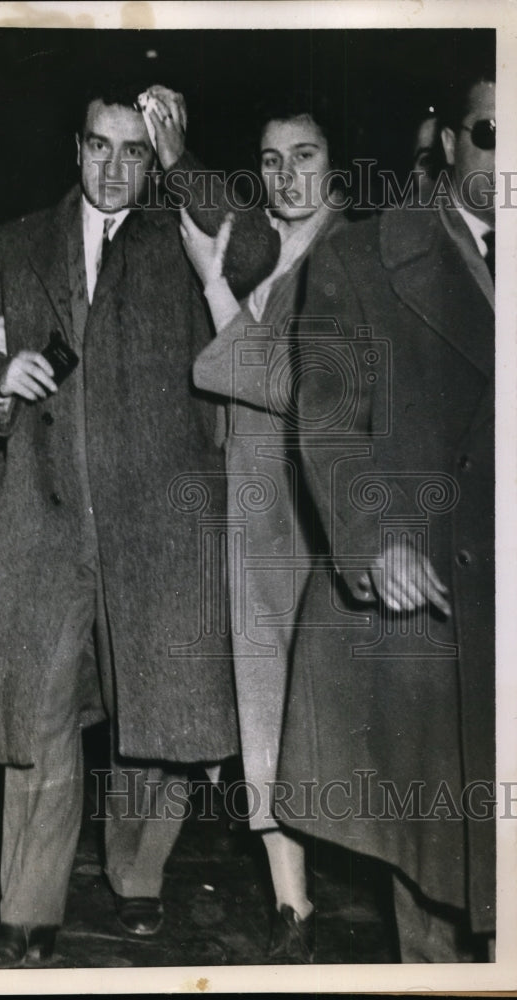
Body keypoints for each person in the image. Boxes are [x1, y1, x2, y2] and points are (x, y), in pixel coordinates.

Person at [0, 81, 279, 969]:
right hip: (44, 520)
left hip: (156, 522)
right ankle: (27, 907)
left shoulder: (180, 233)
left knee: (153, 717)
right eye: (102, 145)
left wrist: (185, 162)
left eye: (136, 151)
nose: (115, 166)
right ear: (76, 147)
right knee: (38, 720)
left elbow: (254, 248)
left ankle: (137, 877)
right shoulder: (16, 244)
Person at [271, 65, 495, 961]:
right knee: (444, 881)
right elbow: (325, 421)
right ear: (447, 145)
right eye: (490, 132)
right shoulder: (363, 257)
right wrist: (374, 539)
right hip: (438, 619)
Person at [179, 98, 349, 962]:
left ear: (337, 167)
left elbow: (283, 381)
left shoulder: (345, 256)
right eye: (270, 159)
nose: (285, 176)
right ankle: (294, 905)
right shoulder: (274, 253)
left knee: (306, 713)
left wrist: (211, 280)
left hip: (305, 520)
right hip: (254, 517)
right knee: (263, 710)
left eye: (305, 156)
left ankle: (314, 900)